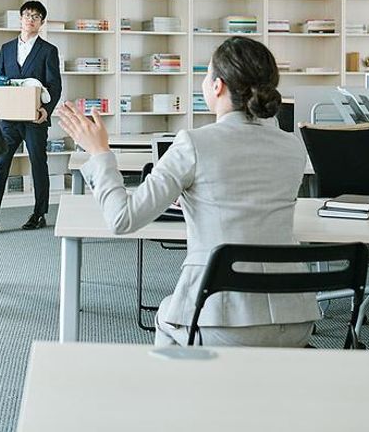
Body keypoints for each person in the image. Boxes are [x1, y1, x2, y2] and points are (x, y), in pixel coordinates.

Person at [57, 37, 321, 347]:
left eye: (207, 75)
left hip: (223, 322)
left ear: (218, 86)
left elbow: (122, 219)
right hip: (296, 320)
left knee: (168, 317)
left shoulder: (194, 143)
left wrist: (100, 152)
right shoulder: (292, 147)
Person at [0, 0, 61, 232]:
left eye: (36, 16)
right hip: (9, 119)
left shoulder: (48, 50)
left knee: (38, 164)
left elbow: (55, 85)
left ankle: (39, 213)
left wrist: (45, 112)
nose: (30, 19)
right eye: (27, 15)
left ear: (41, 23)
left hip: (35, 119)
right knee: (0, 164)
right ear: (20, 19)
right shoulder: (7, 48)